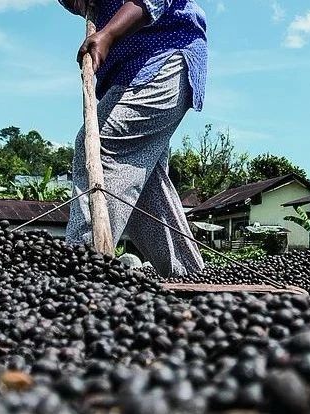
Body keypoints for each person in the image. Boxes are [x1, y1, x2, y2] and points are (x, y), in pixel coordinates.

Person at [58, 0, 206, 276]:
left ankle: (83, 269)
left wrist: (108, 33)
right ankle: (189, 276)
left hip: (164, 54)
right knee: (141, 185)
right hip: (128, 73)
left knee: (103, 148)